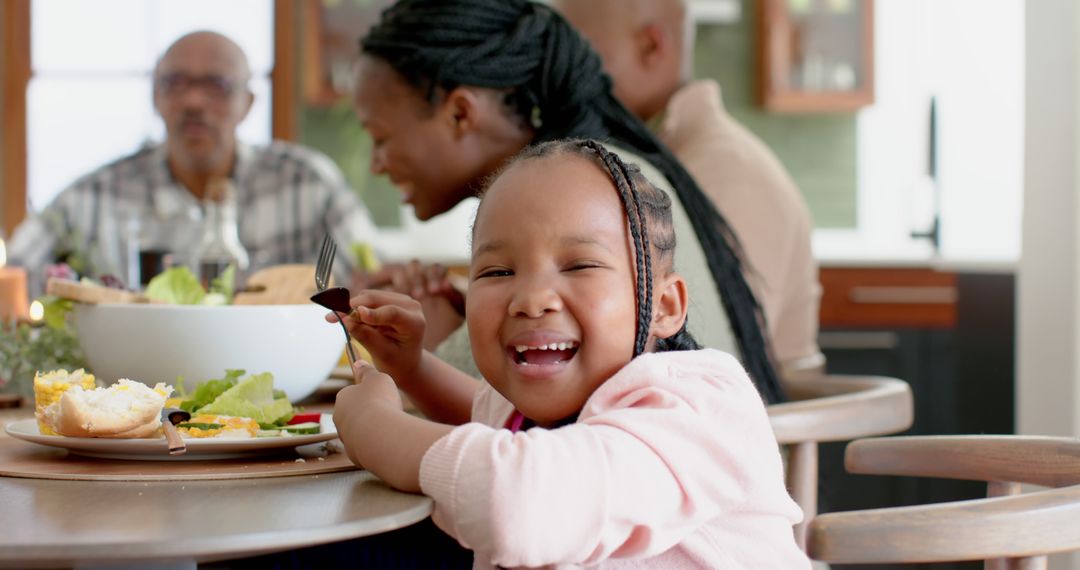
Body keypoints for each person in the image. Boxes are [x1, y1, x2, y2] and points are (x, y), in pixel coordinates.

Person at [333, 139, 809, 568]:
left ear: (664, 306)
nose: (531, 299)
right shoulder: (538, 402)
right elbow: (485, 417)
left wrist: (376, 427)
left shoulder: (698, 409)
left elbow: (519, 503)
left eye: (579, 265)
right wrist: (412, 368)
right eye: (497, 272)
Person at [351, 0, 785, 403]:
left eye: (381, 138)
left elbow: (479, 425)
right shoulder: (600, 170)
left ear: (461, 114)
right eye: (499, 271)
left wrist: (436, 341)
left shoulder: (579, 189)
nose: (375, 164)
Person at [554, 0, 824, 377]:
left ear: (651, 45)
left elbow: (694, 356)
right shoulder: (675, 161)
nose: (558, 70)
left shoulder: (718, 173)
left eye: (577, 50)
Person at [8, 30, 379, 295]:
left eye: (216, 85)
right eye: (176, 83)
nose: (194, 102)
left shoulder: (308, 184)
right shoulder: (93, 196)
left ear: (248, 102)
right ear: (155, 97)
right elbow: (14, 278)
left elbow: (370, 281)